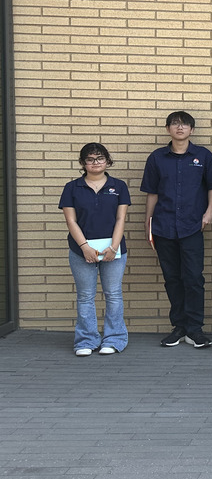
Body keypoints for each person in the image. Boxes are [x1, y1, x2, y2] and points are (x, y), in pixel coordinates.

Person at [141, 111, 212, 349]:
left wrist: (209, 212)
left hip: (191, 226)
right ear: (168, 129)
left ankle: (195, 329)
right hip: (164, 226)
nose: (180, 128)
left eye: (184, 124)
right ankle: (179, 327)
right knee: (172, 279)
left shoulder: (203, 156)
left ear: (192, 130)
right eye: (175, 124)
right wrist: (148, 221)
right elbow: (152, 193)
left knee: (194, 278)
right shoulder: (157, 158)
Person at [60, 143, 131, 356]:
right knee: (85, 296)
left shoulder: (119, 186)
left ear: (108, 161)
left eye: (100, 158)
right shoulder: (72, 188)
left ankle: (115, 339)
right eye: (90, 159)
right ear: (83, 163)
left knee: (113, 294)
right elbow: (71, 221)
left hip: (114, 251)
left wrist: (113, 247)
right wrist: (85, 247)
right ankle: (86, 340)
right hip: (81, 250)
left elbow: (121, 219)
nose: (95, 162)